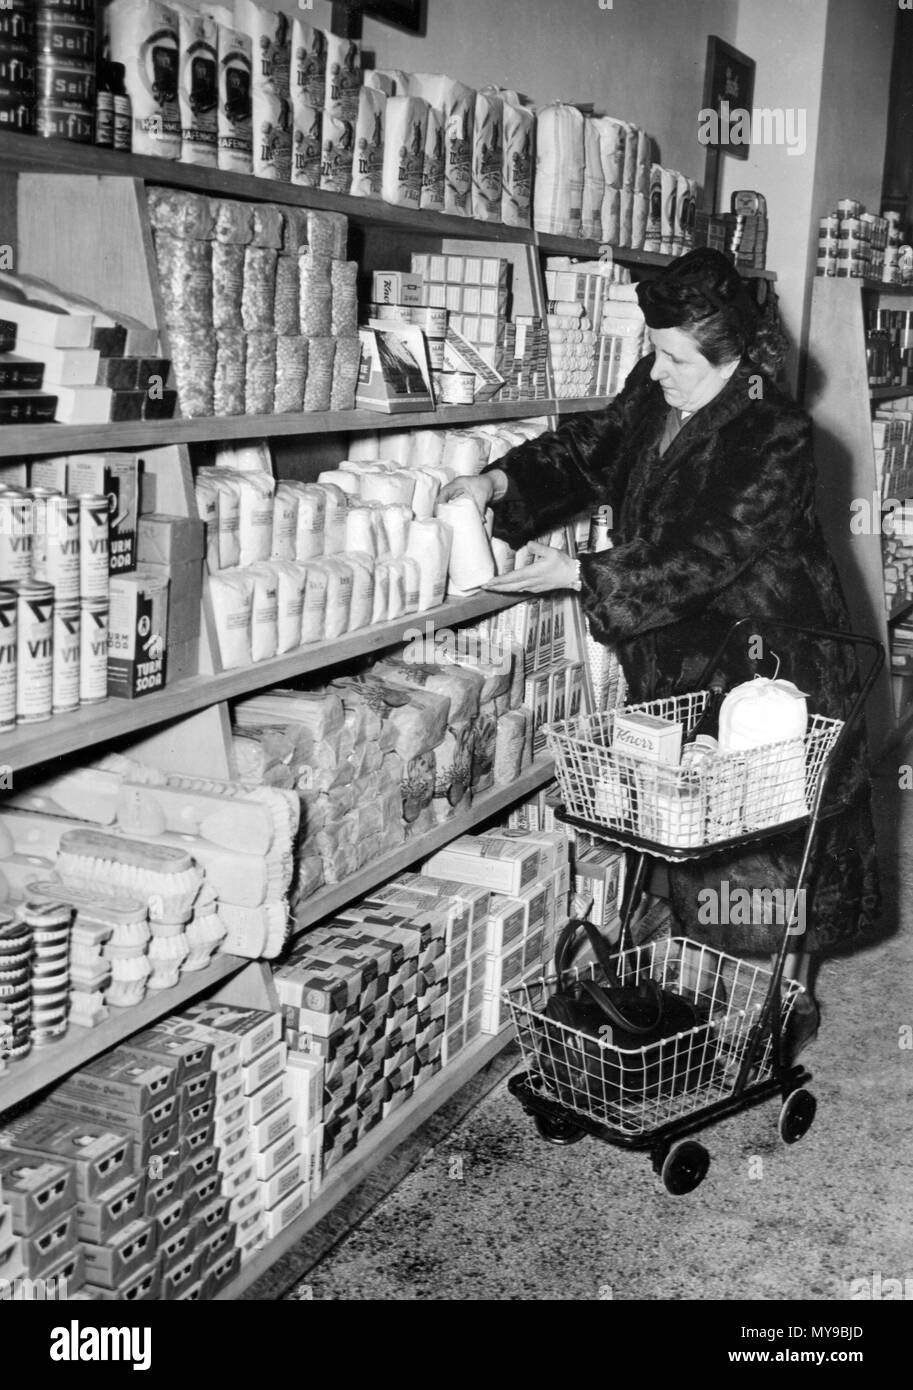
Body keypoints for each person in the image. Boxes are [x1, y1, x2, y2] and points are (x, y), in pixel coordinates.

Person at [438, 247, 881, 1056]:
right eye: (653, 348)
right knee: (686, 828)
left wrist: (580, 572)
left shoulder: (773, 433)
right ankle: (688, 997)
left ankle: (780, 999)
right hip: (678, 655)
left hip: (766, 662)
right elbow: (589, 446)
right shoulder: (657, 388)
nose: (656, 369)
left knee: (767, 844)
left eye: (674, 357)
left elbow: (709, 548)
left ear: (734, 358)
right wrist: (496, 485)